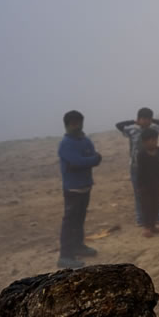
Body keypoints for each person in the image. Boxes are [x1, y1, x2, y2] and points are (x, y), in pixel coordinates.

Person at [57, 110, 102, 269]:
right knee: (70, 222)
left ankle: (78, 246)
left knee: (79, 219)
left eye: (79, 122)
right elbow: (78, 161)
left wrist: (88, 160)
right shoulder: (66, 144)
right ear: (67, 125)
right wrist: (90, 160)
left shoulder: (85, 140)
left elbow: (93, 158)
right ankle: (65, 255)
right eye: (73, 123)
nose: (77, 125)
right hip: (73, 189)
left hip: (85, 186)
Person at [116, 107, 159, 226]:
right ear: (139, 119)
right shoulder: (132, 129)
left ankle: (157, 217)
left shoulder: (154, 128)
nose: (146, 122)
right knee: (140, 194)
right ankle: (141, 220)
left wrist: (152, 120)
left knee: (156, 193)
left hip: (153, 165)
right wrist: (134, 122)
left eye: (148, 119)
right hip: (136, 167)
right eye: (143, 119)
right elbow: (118, 125)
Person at [136, 128, 159, 237]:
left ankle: (153, 225)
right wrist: (140, 186)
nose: (153, 142)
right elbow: (140, 171)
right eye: (150, 140)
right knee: (146, 207)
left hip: (156, 183)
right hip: (145, 185)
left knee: (156, 204)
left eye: (155, 140)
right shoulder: (141, 154)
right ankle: (146, 227)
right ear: (144, 142)